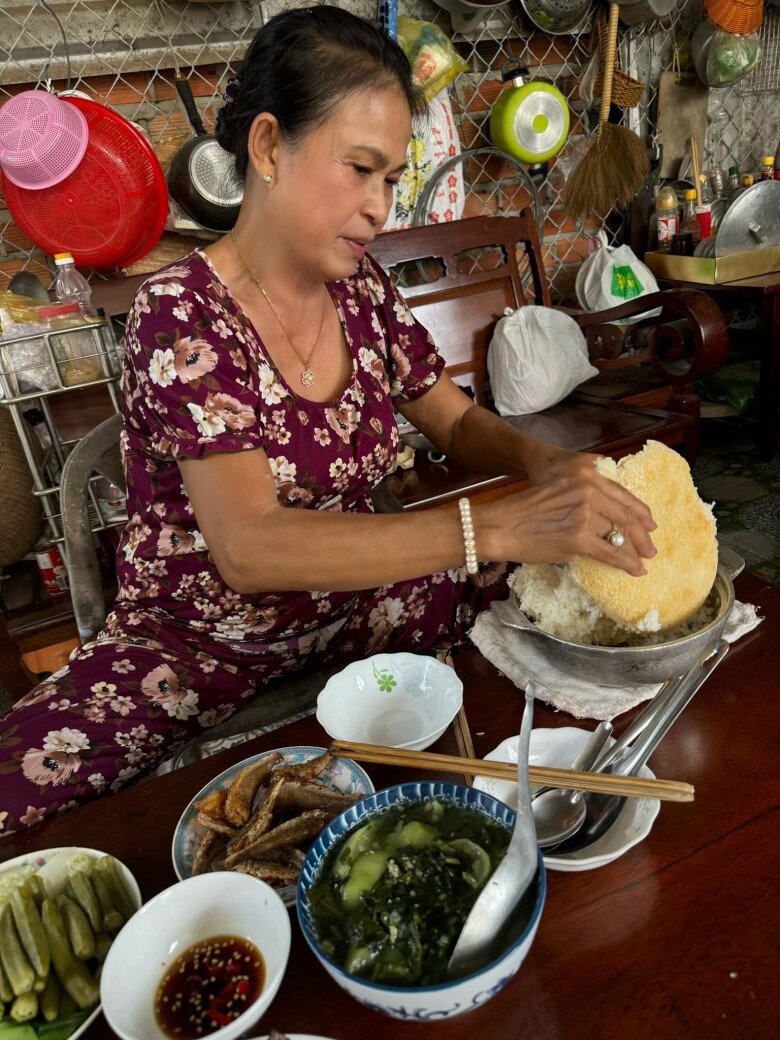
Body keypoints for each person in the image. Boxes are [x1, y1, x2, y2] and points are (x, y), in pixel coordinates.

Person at [0, 5, 655, 838]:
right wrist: (489, 526)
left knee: (589, 619)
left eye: (391, 177)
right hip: (197, 643)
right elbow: (251, 548)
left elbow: (454, 423)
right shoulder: (181, 315)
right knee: (19, 793)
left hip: (360, 601)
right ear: (269, 147)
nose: (382, 206)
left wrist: (546, 468)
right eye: (361, 169)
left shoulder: (361, 291)